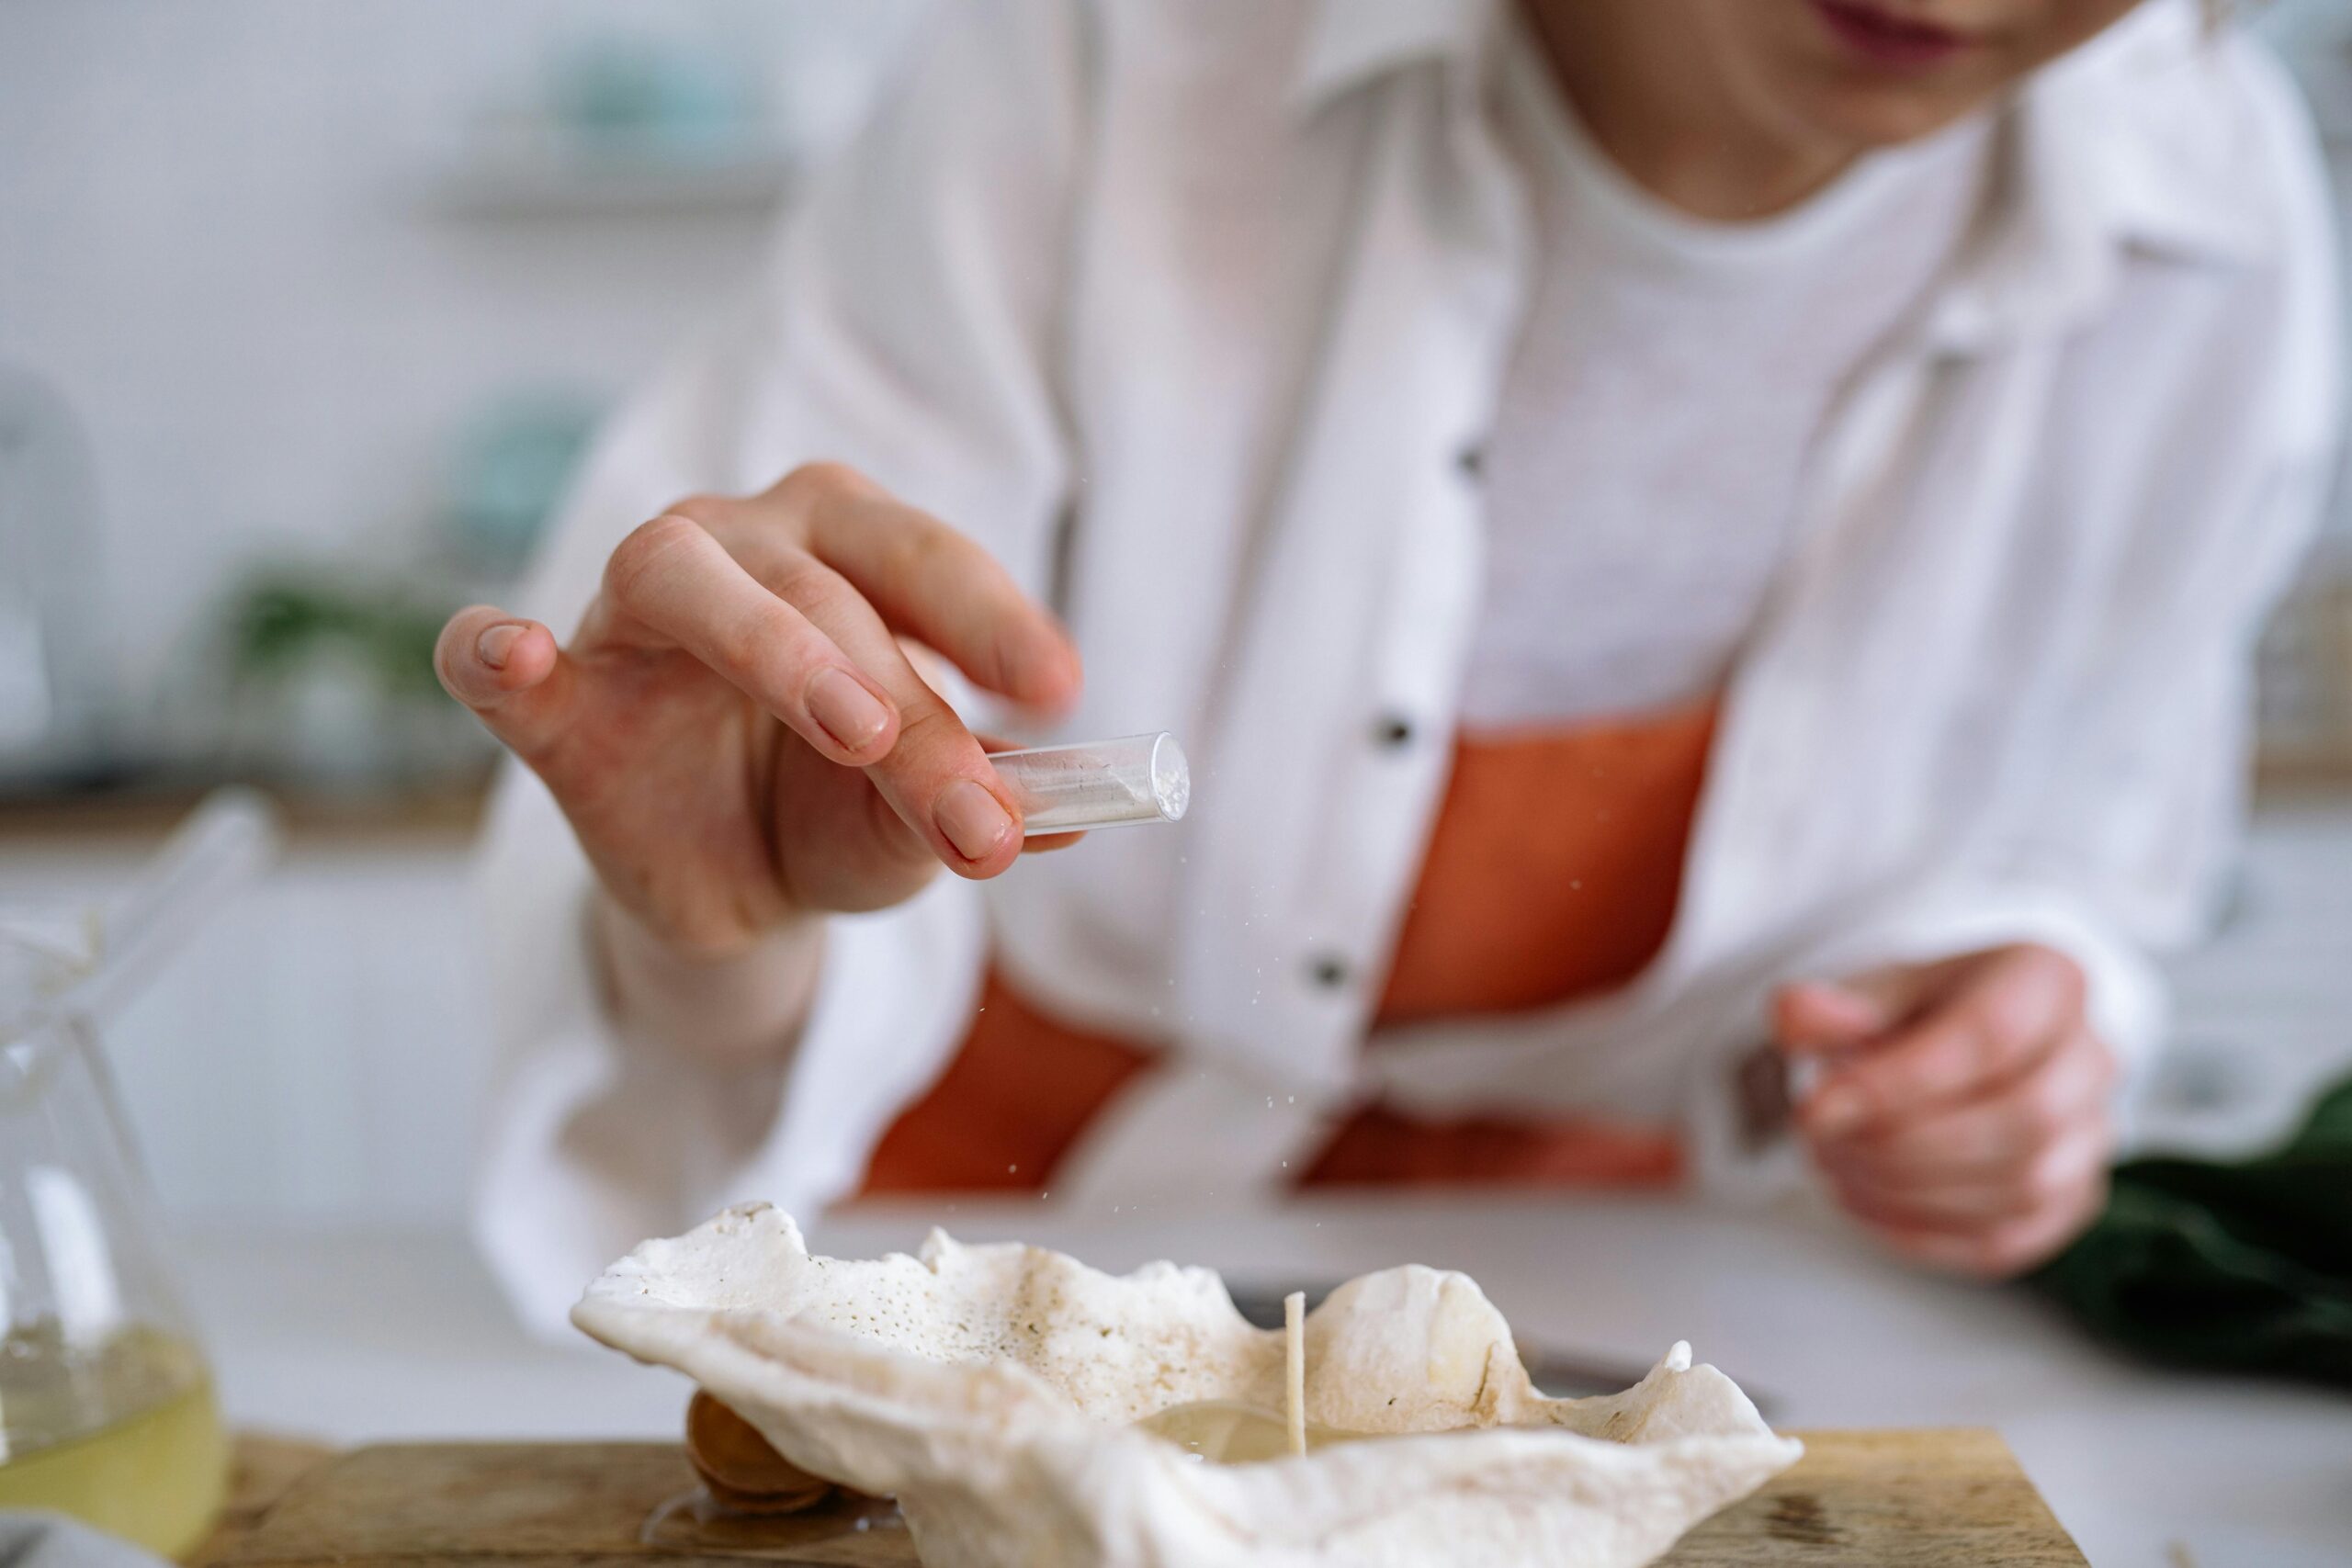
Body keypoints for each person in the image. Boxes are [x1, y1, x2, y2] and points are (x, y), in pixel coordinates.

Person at [436, 0, 2337, 1334]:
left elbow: (2086, 848)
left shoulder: (2220, 240)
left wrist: (2023, 1026)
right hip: (979, 1271)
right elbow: (763, 849)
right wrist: (728, 930)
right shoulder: (1107, 59)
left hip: (1632, 1336)